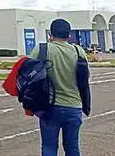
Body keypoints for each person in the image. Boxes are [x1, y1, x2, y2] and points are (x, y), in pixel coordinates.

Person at [29, 19, 89, 156]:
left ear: (50, 34)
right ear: (69, 35)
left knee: (49, 147)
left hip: (49, 106)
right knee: (73, 147)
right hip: (74, 106)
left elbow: (28, 72)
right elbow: (84, 78)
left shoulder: (42, 49)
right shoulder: (79, 52)